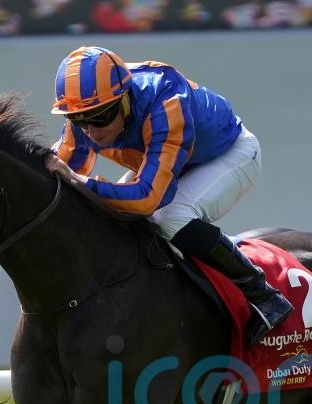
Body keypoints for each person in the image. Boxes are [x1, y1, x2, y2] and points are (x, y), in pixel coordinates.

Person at [45, 46, 293, 348]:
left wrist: (82, 183)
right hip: (169, 161)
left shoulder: (165, 101)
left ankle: (262, 294)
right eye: (78, 119)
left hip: (229, 155)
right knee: (111, 216)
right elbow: (62, 172)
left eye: (101, 117)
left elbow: (148, 198)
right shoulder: (88, 110)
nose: (90, 131)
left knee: (168, 217)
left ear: (124, 98)